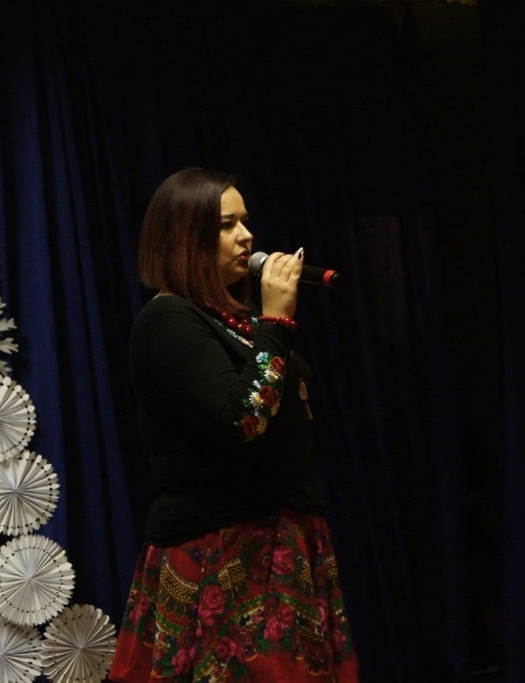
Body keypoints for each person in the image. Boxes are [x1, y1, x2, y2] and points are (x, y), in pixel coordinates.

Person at [109, 168, 359, 682]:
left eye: (245, 221)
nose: (247, 236)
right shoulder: (168, 321)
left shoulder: (230, 321)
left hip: (277, 535)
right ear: (185, 237)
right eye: (227, 225)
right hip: (223, 550)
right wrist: (278, 321)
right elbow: (245, 418)